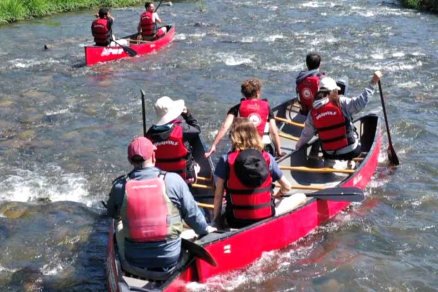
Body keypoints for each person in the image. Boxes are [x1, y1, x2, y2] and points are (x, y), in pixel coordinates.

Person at [106, 137, 214, 275]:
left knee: (119, 223)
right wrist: (205, 230)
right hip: (170, 260)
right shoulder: (173, 180)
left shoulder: (119, 186)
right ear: (153, 156)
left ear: (130, 160)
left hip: (134, 261)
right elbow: (193, 216)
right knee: (181, 220)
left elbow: (112, 214)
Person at [212, 118, 302, 229]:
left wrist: (216, 221)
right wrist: (278, 195)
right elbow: (287, 187)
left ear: (233, 137)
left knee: (225, 206)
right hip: (266, 216)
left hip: (235, 221)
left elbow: (218, 196)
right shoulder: (267, 158)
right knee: (300, 196)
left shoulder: (225, 160)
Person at [295, 71, 383, 163]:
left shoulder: (313, 111)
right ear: (334, 91)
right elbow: (360, 102)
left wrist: (299, 145)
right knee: (349, 120)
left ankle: (330, 162)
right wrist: (373, 82)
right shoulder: (341, 102)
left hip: (329, 153)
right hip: (351, 151)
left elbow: (307, 133)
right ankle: (351, 162)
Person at [206, 78, 283, 159]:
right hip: (263, 149)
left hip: (242, 150)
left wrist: (214, 145)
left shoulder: (236, 108)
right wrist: (279, 152)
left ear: (244, 94)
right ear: (257, 93)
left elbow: (224, 127)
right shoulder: (267, 108)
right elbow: (274, 132)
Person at [145, 96, 202, 183]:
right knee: (193, 140)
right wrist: (187, 115)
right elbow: (197, 129)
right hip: (184, 177)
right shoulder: (182, 129)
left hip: (160, 178)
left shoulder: (150, 134)